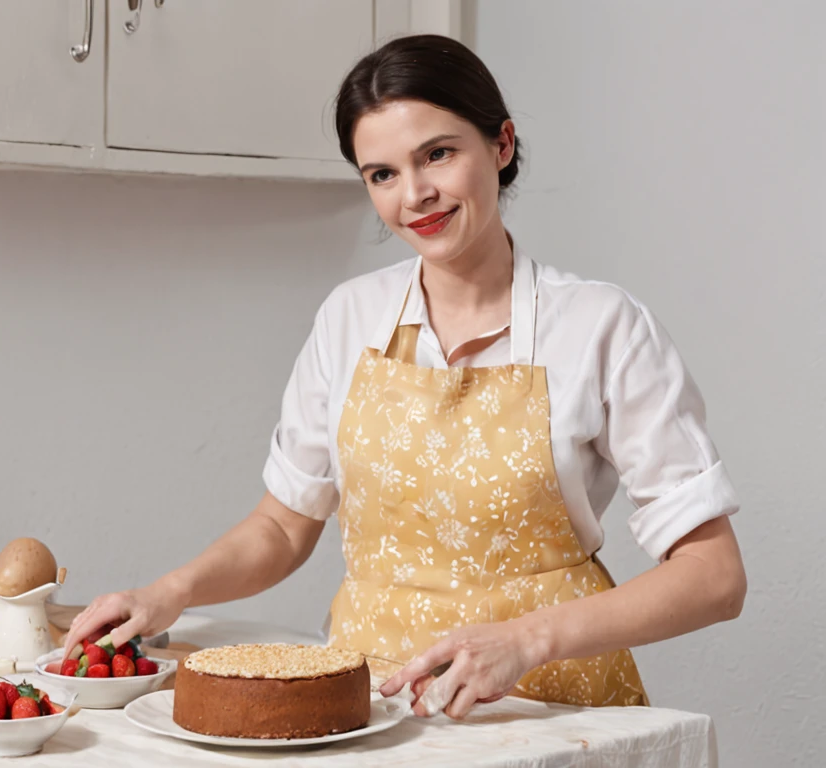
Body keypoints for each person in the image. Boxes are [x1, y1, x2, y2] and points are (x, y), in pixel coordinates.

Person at [64, 34, 746, 719]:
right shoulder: (348, 318)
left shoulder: (602, 327)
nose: (414, 195)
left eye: (437, 154)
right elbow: (283, 525)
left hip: (554, 714)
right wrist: (166, 594)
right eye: (381, 174)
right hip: (371, 716)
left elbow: (715, 578)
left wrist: (527, 639)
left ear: (501, 145)